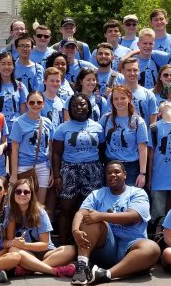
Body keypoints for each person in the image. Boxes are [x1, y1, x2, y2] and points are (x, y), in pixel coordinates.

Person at [70, 160, 160, 285]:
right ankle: (82, 267)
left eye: (117, 172)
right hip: (106, 246)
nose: (113, 175)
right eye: (109, 173)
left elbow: (132, 217)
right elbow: (80, 213)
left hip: (131, 246)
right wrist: (75, 231)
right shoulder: (97, 194)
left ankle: (105, 274)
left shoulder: (137, 193)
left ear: (125, 175)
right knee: (90, 219)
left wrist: (101, 215)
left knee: (152, 248)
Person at [51, 94, 105, 241]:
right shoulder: (63, 128)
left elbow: (101, 150)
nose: (79, 108)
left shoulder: (98, 127)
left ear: (88, 107)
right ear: (70, 108)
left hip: (93, 171)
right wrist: (56, 176)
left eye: (82, 104)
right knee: (66, 209)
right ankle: (63, 244)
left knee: (90, 209)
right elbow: (56, 153)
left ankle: (87, 243)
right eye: (74, 105)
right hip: (69, 170)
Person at [6, 177, 77, 277]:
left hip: (44, 253)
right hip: (24, 253)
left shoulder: (40, 212)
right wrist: (12, 218)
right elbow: (10, 240)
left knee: (71, 250)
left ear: (31, 195)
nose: (22, 194)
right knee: (13, 250)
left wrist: (24, 245)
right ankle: (53, 271)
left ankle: (31, 269)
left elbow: (44, 244)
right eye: (18, 191)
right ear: (13, 194)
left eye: (26, 192)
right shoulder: (9, 210)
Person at [10, 90, 58, 212]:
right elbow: (14, 150)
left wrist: (51, 170)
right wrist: (14, 174)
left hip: (43, 166)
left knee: (40, 204)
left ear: (43, 104)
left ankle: (35, 229)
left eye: (39, 102)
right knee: (22, 202)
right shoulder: (19, 122)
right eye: (32, 102)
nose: (35, 105)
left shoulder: (47, 122)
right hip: (24, 166)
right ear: (26, 104)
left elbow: (50, 147)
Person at [101, 86, 149, 187]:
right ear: (112, 101)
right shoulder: (105, 119)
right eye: (116, 98)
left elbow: (142, 148)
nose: (119, 101)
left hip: (131, 168)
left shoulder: (138, 121)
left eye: (123, 98)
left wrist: (142, 173)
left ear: (129, 99)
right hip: (111, 166)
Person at [0, 51, 27, 126]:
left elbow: (23, 112)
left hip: (16, 127)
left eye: (9, 64)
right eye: (3, 64)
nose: (6, 67)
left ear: (13, 66)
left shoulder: (20, 86)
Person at [118, 57, 159, 123]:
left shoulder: (149, 94)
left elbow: (153, 124)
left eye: (135, 70)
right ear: (122, 71)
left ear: (139, 71)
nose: (132, 73)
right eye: (129, 70)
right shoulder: (115, 95)